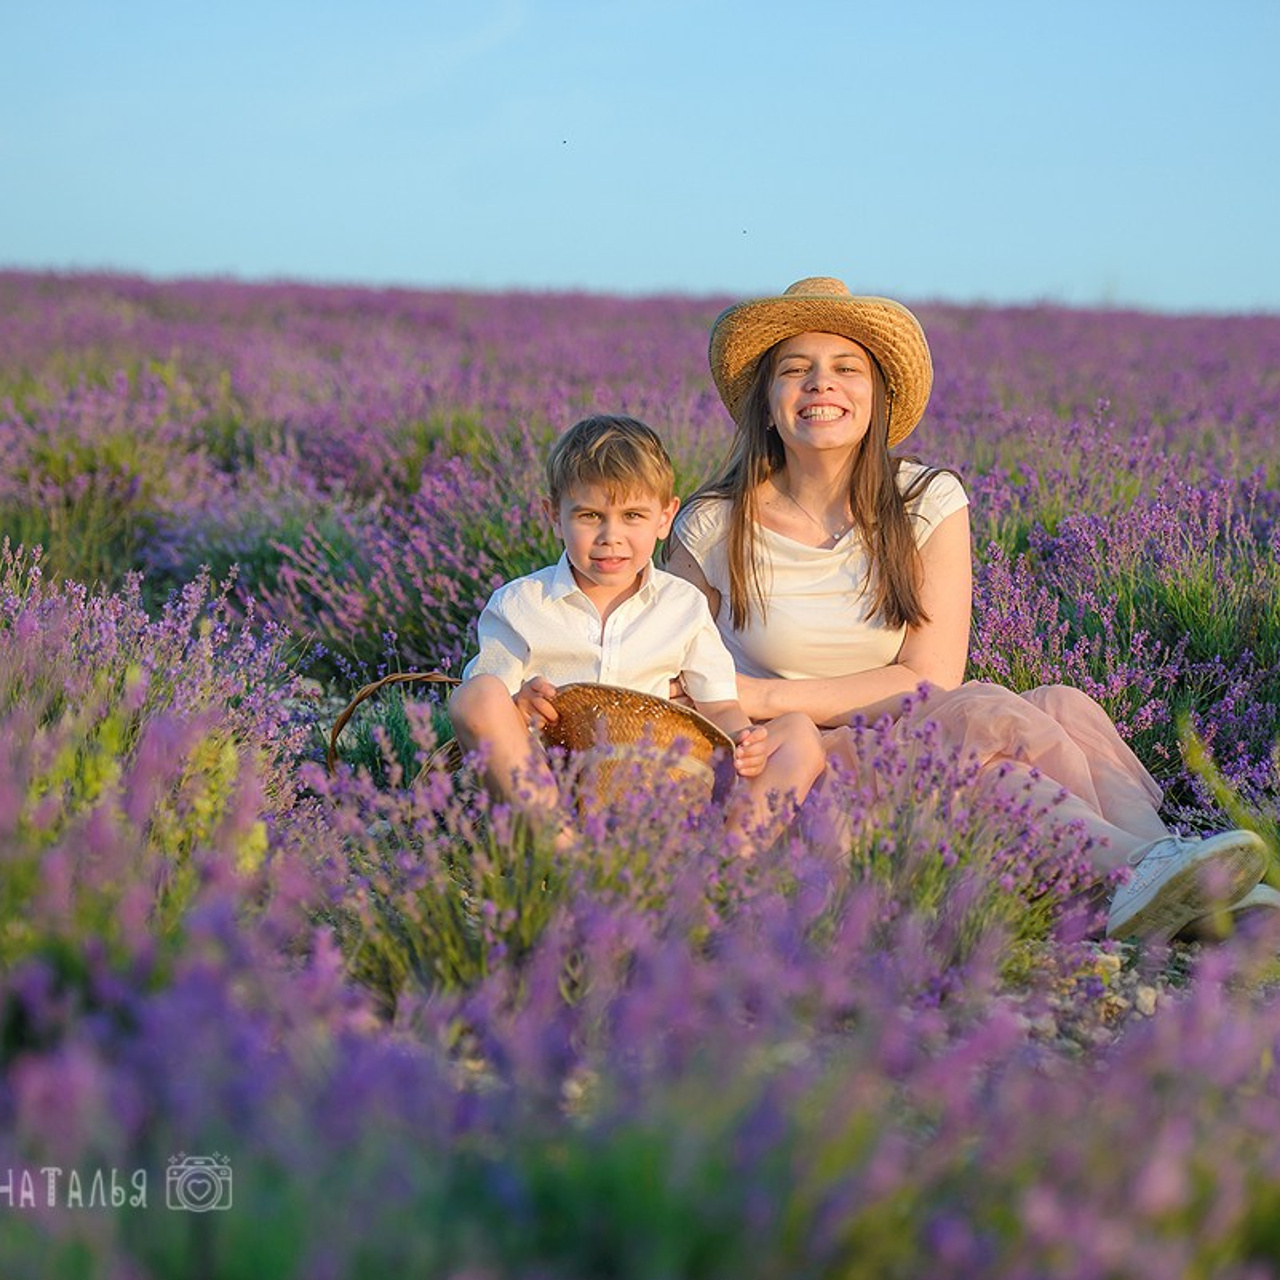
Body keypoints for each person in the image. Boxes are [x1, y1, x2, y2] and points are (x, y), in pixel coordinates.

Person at [664, 275, 1274, 943]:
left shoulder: (925, 499)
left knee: (1062, 704)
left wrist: (758, 690)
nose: (821, 385)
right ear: (768, 400)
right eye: (795, 370)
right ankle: (1155, 877)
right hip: (800, 760)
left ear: (878, 396)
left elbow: (927, 678)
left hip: (913, 719)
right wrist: (752, 701)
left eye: (845, 368)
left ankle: (1164, 880)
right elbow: (668, 667)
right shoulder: (714, 524)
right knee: (987, 753)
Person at [449, 413, 825, 846]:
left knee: (798, 733)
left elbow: (719, 707)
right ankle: (561, 853)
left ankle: (727, 863)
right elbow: (486, 715)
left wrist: (745, 737)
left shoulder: (683, 606)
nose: (611, 536)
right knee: (475, 696)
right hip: (549, 784)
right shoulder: (520, 604)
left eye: (633, 515)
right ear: (554, 515)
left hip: (658, 790)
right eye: (590, 515)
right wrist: (519, 704)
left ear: (665, 518)